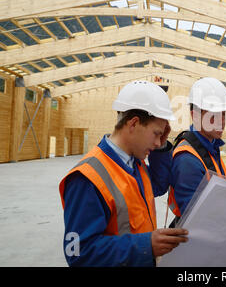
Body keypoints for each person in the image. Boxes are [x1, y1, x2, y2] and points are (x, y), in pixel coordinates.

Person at [59, 81, 188, 267]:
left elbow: (157, 186)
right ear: (134, 123)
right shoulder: (87, 178)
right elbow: (79, 254)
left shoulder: (135, 162)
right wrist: (146, 245)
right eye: (156, 133)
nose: (158, 142)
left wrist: (161, 147)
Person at [168, 78, 226, 225]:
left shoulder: (211, 148)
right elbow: (197, 222)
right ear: (195, 116)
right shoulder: (187, 160)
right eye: (214, 115)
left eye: (223, 114)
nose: (222, 121)